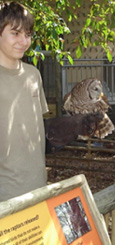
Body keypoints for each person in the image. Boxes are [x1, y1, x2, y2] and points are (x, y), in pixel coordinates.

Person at [0, 2, 48, 201]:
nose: (23, 41)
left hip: (38, 188)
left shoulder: (33, 75)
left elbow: (34, 130)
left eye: (27, 34)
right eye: (15, 33)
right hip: (5, 195)